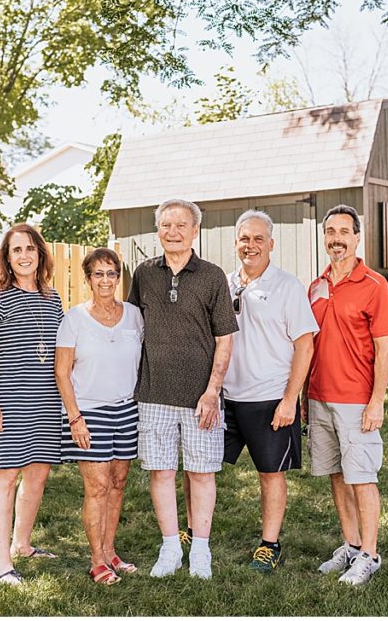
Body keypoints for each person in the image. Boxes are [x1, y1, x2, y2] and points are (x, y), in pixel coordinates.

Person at [127, 198, 238, 580]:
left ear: (195, 231)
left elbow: (225, 339)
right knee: (160, 472)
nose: (172, 232)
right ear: (158, 230)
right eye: (165, 225)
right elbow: (132, 329)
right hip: (154, 393)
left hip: (200, 398)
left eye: (181, 225)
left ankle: (201, 551)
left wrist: (212, 391)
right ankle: (171, 547)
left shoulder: (212, 276)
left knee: (202, 473)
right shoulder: (143, 274)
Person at [221, 210, 318, 572]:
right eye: (245, 239)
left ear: (271, 244)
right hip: (227, 397)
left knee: (270, 474)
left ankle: (269, 544)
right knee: (200, 468)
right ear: (236, 243)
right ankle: (193, 533)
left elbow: (305, 345)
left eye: (258, 239)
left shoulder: (287, 286)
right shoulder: (225, 284)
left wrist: (290, 399)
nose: (251, 245)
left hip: (270, 399)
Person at [305, 204, 388, 586]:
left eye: (344, 231)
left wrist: (377, 401)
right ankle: (351, 544)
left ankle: (371, 555)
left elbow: (385, 350)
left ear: (357, 237)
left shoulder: (374, 285)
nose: (337, 238)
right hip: (319, 397)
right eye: (330, 231)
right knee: (337, 476)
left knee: (362, 478)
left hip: (357, 400)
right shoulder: (316, 285)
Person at [0, 224, 64, 586]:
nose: (24, 256)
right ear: (7, 258)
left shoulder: (51, 297)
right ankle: (1, 565)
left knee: (38, 475)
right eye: (16, 250)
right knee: (6, 479)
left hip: (44, 402)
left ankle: (22, 544)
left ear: (40, 254)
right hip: (7, 403)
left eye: (30, 249)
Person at [54, 248, 143, 586]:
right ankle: (96, 562)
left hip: (126, 409)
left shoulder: (134, 315)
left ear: (118, 278)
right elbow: (62, 373)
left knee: (118, 484)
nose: (105, 280)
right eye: (98, 274)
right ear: (88, 278)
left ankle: (110, 551)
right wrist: (75, 418)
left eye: (111, 274)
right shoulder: (74, 319)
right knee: (98, 486)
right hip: (88, 412)